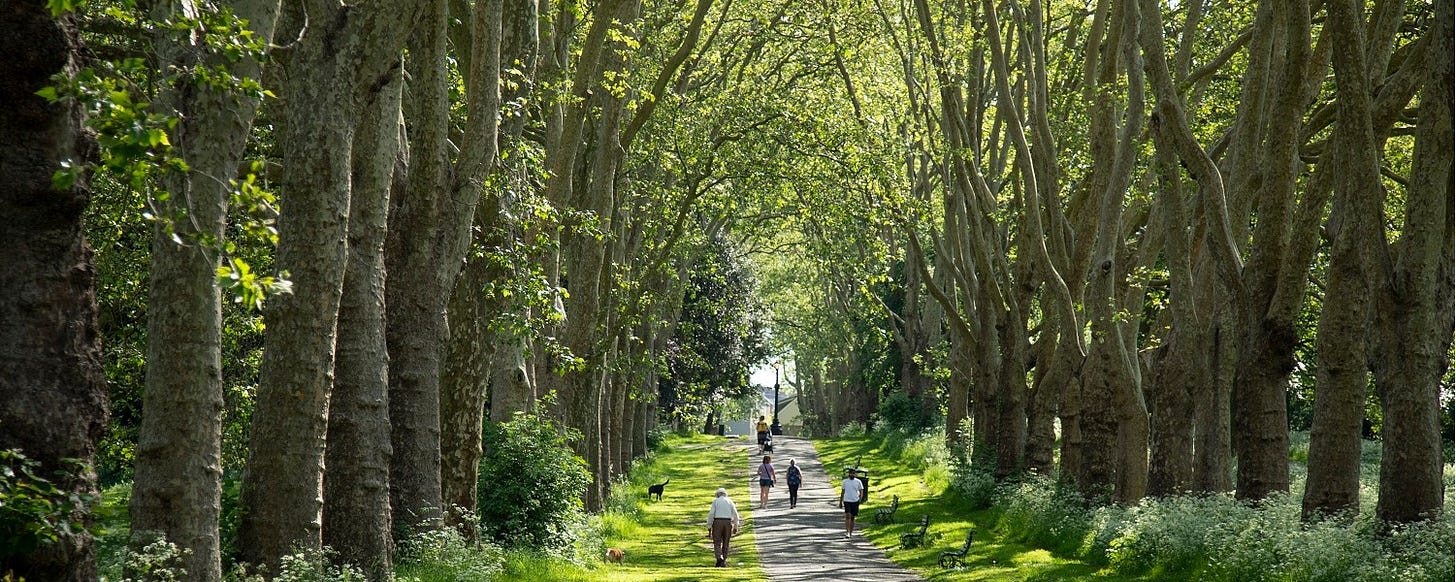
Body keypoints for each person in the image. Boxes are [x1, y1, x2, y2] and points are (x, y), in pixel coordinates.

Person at [706, 487, 741, 567]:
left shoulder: (716, 502)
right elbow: (735, 515)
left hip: (717, 522)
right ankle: (723, 560)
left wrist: (709, 526)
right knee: (726, 542)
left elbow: (711, 514)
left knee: (717, 541)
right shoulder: (730, 502)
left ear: (717, 495)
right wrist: (736, 526)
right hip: (728, 522)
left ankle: (719, 557)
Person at [840, 468, 865, 536]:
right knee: (848, 515)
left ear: (855, 474)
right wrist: (840, 501)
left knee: (853, 517)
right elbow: (843, 491)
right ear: (849, 474)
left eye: (854, 473)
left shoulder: (858, 481)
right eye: (851, 473)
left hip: (855, 500)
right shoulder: (845, 481)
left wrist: (860, 498)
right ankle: (847, 531)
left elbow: (861, 490)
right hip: (847, 500)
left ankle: (851, 532)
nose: (852, 474)